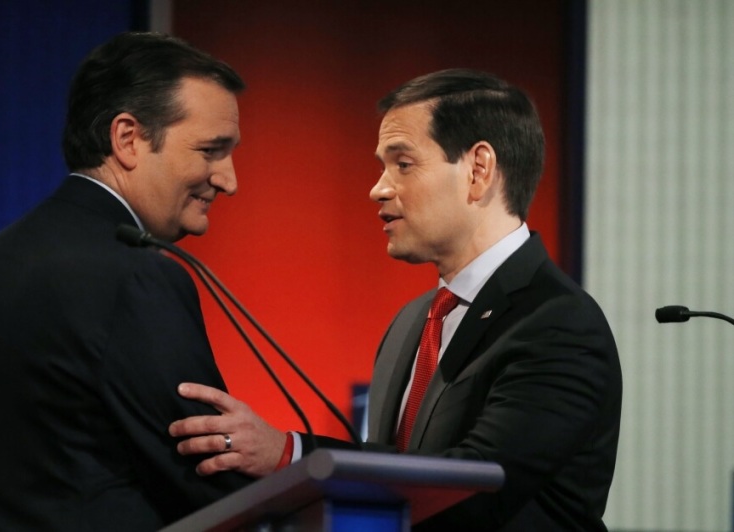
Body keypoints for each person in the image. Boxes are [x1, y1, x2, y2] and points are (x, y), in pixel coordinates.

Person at [168, 69, 623, 530]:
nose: (378, 188)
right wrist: (283, 452)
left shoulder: (558, 323)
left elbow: (469, 492)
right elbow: (394, 468)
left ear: (478, 170)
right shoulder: (413, 321)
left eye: (403, 164)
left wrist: (291, 459)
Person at [0, 32, 260, 531]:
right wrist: (298, 464)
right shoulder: (137, 275)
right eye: (211, 150)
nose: (228, 179)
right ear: (128, 138)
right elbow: (214, 481)